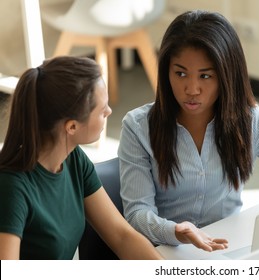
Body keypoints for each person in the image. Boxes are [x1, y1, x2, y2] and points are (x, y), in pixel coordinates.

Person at [118, 10, 259, 251]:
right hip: (165, 252)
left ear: (227, 76)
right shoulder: (137, 127)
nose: (192, 88)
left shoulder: (251, 121)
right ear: (167, 72)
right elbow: (137, 212)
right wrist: (177, 231)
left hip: (227, 250)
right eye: (180, 73)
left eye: (205, 76)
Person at [0, 56, 163, 260]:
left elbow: (122, 236)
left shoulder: (73, 159)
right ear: (72, 127)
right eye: (102, 110)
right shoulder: (11, 187)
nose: (109, 111)